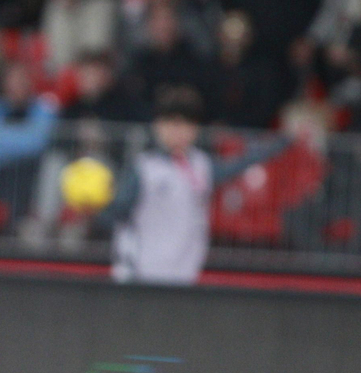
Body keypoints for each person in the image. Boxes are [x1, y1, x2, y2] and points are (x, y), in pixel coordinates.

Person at [107, 85, 286, 284]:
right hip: (143, 273)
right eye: (172, 124)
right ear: (158, 126)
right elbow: (117, 211)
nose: (179, 132)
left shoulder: (201, 165)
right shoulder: (144, 168)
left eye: (186, 124)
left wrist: (284, 141)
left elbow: (238, 165)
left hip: (185, 274)